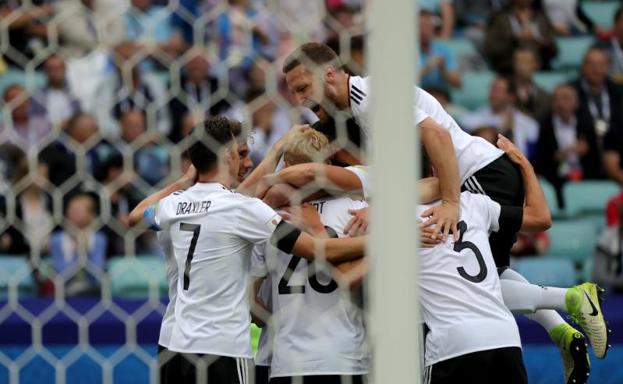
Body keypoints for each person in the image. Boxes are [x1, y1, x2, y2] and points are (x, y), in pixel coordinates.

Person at [279, 42, 607, 377]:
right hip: (481, 175)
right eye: (294, 93)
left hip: (475, 177)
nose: (301, 99)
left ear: (330, 74)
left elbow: (437, 137)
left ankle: (571, 299)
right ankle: (561, 329)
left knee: (467, 282)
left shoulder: (371, 96)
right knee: (483, 274)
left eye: (303, 88)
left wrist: (450, 202)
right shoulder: (357, 112)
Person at [127, 116, 366, 384]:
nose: (248, 162)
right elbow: (314, 249)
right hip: (222, 348)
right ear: (227, 156)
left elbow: (134, 217)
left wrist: (183, 182)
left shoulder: (172, 206)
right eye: (242, 154)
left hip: (172, 344)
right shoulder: (244, 209)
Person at [250, 129, 368, 384]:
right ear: (327, 165)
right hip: (345, 357)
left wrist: (285, 320)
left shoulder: (266, 220)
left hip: (287, 361)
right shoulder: (358, 212)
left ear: (288, 166)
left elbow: (252, 307)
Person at [535, 85, 603, 208]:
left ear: (576, 103)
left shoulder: (586, 124)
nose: (560, 103)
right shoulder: (545, 125)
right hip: (557, 179)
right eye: (556, 99)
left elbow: (596, 159)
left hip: (585, 176)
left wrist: (586, 151)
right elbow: (541, 161)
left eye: (565, 98)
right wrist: (560, 155)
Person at [462, 76, 540, 162]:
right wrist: (500, 130)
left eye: (498, 91)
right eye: (492, 89)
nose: (492, 94)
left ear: (511, 97)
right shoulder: (474, 118)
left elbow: (526, 155)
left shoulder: (527, 123)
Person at [484, 0, 558, 73]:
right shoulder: (500, 19)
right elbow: (491, 49)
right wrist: (515, 40)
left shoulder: (542, 19)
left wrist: (538, 41)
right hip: (508, 68)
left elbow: (554, 50)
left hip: (541, 67)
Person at [572, 47, 623, 150]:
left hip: (616, 148)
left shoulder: (618, 91)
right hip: (584, 149)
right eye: (591, 64)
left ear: (607, 67)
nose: (596, 69)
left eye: (600, 64)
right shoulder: (571, 91)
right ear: (583, 67)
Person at [419, 11, 462, 91]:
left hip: (440, 95)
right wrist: (426, 68)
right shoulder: (408, 50)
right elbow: (403, 81)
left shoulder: (442, 48)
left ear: (433, 28)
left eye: (427, 26)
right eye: (421, 27)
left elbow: (458, 84)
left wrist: (443, 69)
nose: (424, 31)